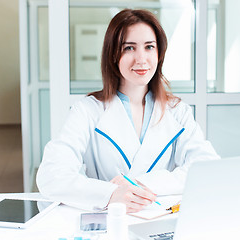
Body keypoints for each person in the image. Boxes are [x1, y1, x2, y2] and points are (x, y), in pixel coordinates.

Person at [36, 9, 220, 213]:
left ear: (159, 54)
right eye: (129, 48)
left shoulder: (177, 111)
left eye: (149, 47)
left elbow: (207, 168)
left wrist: (140, 184)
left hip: (159, 220)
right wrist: (110, 194)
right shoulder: (87, 111)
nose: (141, 59)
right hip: (108, 220)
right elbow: (51, 175)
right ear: (113, 55)